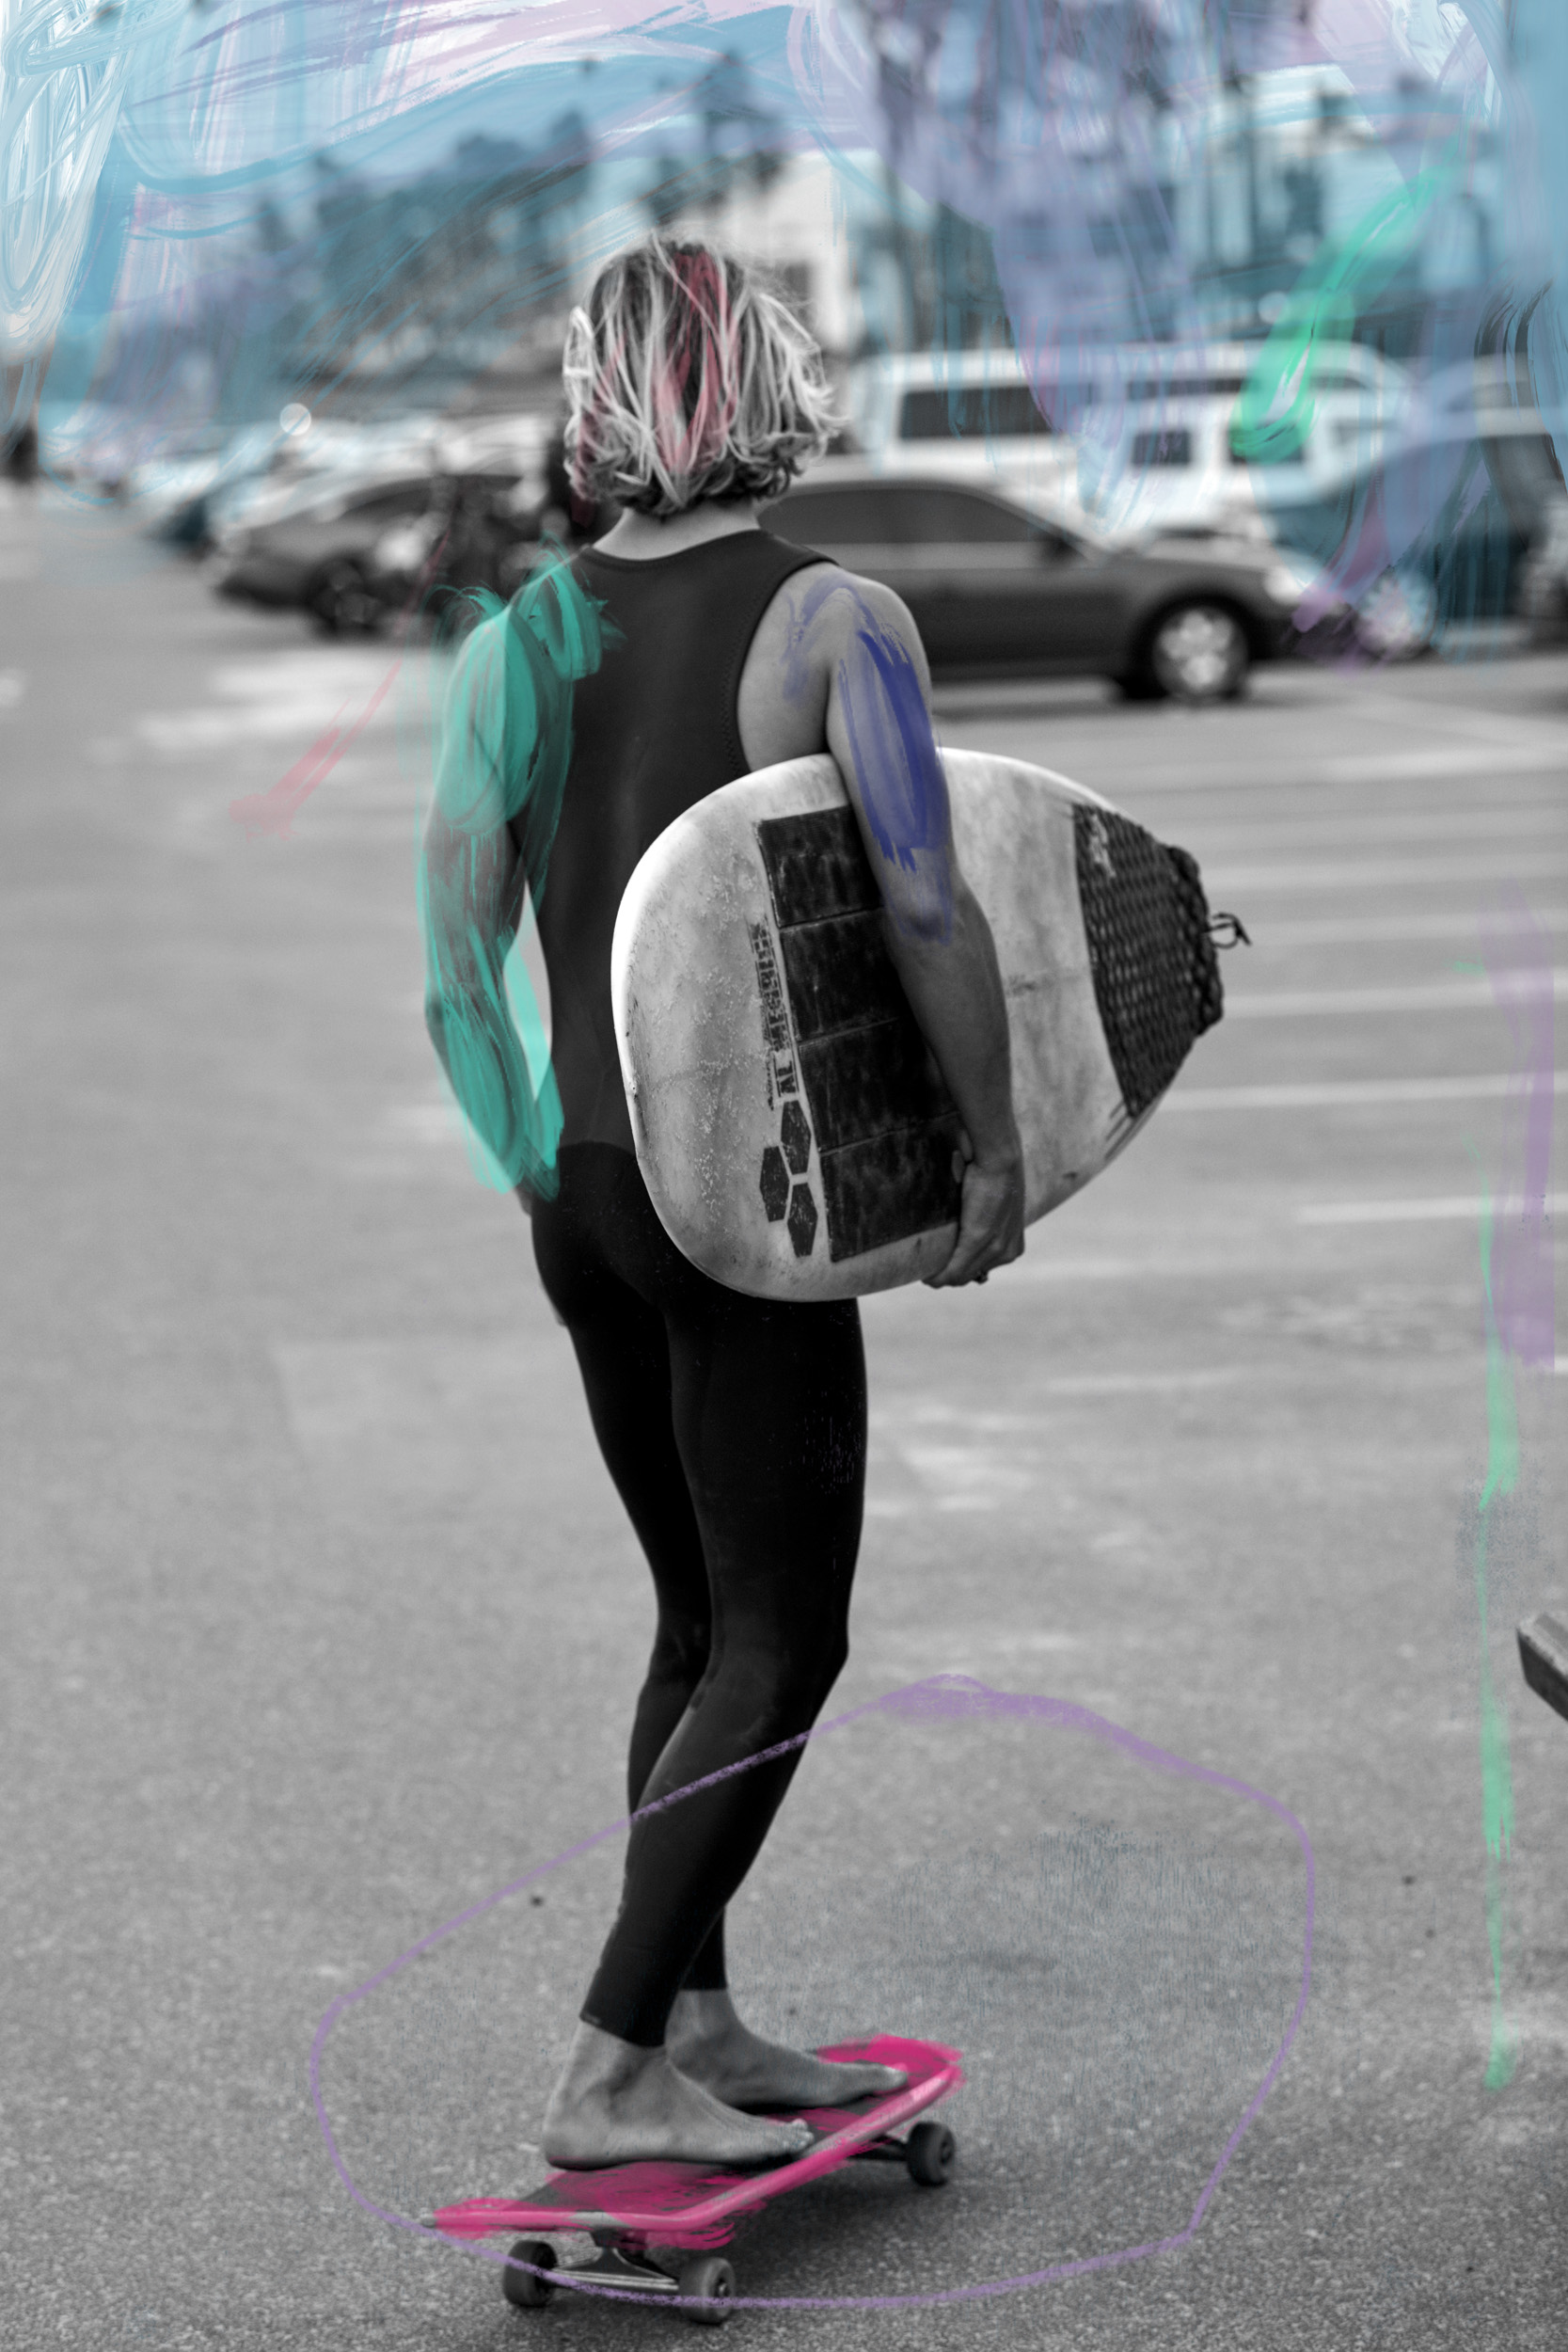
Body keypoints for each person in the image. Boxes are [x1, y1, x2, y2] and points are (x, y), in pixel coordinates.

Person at [420, 236, 1024, 2171]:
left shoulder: (517, 638)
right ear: (772, 377)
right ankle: (609, 2063)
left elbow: (453, 940)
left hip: (584, 1199)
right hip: (740, 1201)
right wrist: (992, 1146)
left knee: (698, 1622)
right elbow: (927, 901)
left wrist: (536, 1144)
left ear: (599, 408)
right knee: (787, 1635)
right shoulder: (836, 619)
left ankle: (694, 2023)